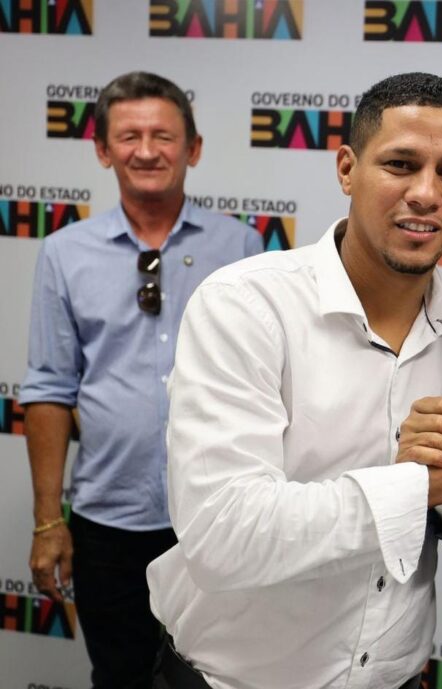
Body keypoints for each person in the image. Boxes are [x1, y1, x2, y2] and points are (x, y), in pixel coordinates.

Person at [146, 72, 442, 689]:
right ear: (347, 169)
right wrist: (418, 484)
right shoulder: (246, 305)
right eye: (400, 164)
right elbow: (224, 536)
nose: (426, 193)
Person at [20, 71, 262, 689]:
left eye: (164, 136)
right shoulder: (64, 252)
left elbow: (269, 384)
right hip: (108, 523)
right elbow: (49, 389)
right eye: (129, 136)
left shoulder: (242, 246)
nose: (147, 151)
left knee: (216, 681)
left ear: (193, 148)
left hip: (217, 515)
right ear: (103, 150)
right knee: (120, 677)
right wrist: (48, 521)